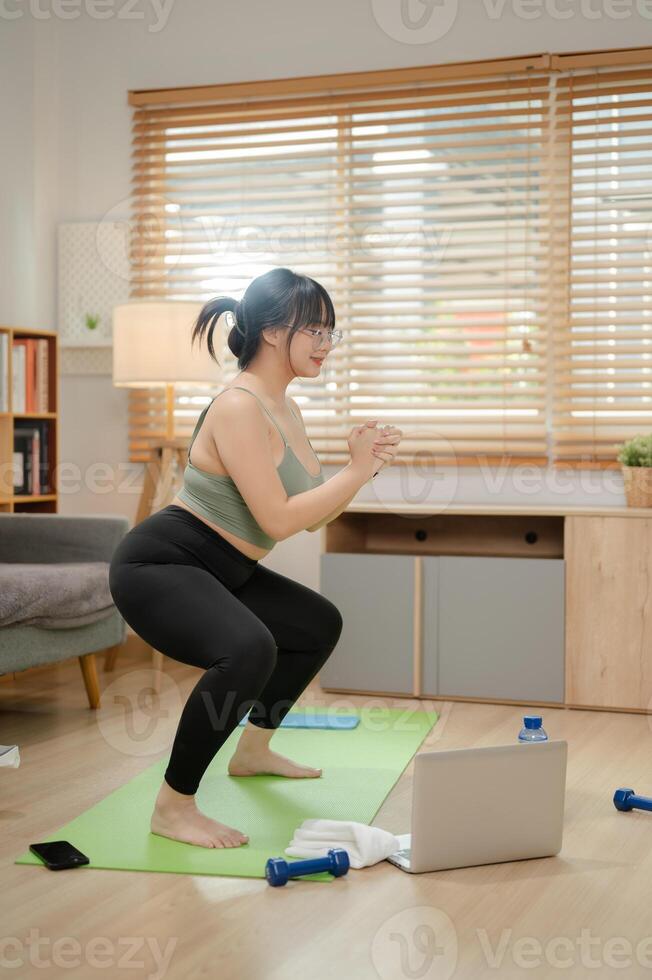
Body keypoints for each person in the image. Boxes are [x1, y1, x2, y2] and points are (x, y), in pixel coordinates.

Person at [108, 267, 402, 849]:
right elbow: (276, 520)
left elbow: (312, 515)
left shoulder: (284, 407)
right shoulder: (239, 406)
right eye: (315, 331)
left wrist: (359, 470)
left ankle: (253, 750)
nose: (326, 345)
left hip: (224, 567)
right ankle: (173, 806)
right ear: (272, 332)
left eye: (331, 333)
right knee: (247, 648)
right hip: (162, 564)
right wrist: (354, 470)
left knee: (317, 624)